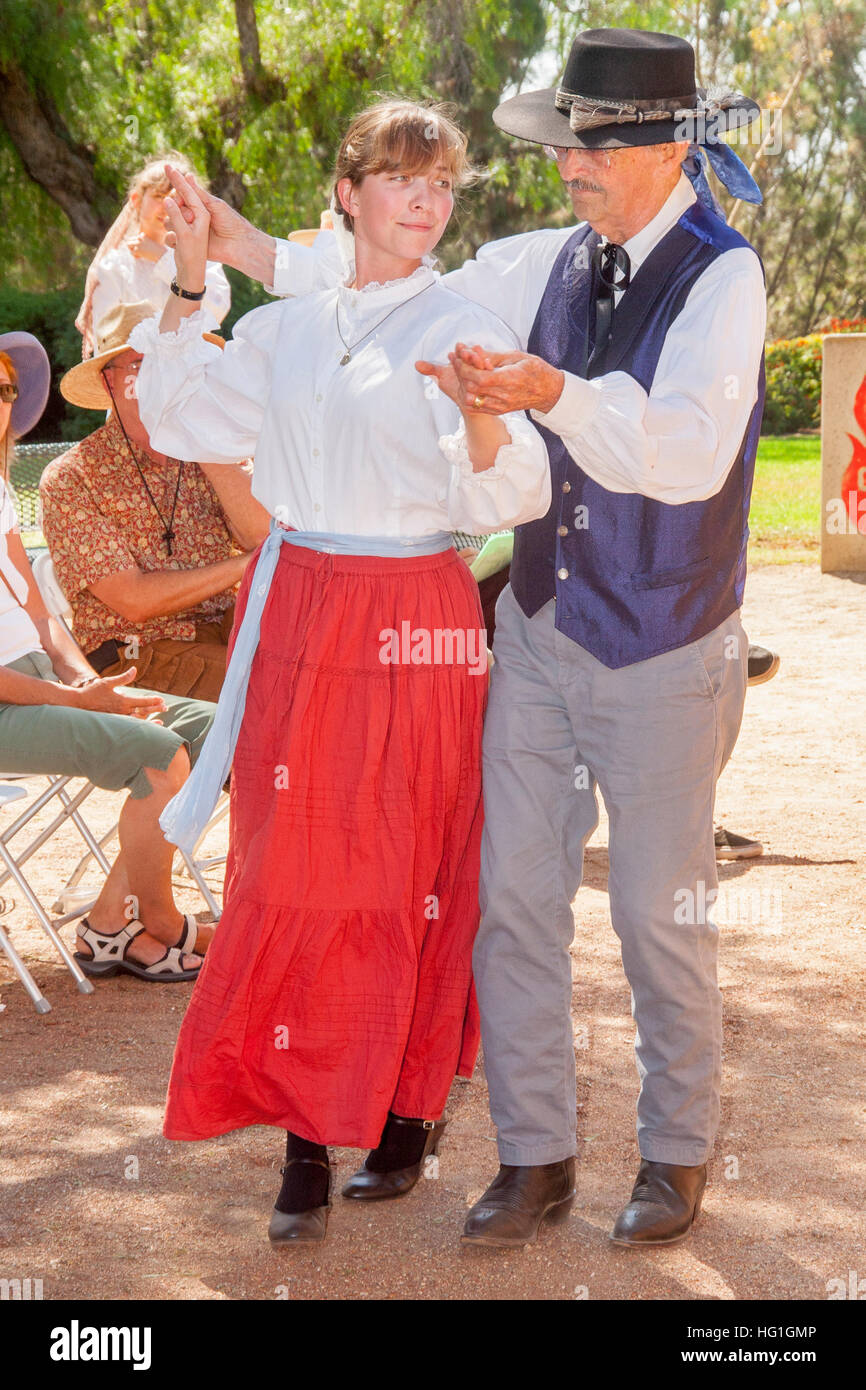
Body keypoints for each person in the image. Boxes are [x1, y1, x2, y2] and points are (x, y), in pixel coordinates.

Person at [194, 26, 767, 1249]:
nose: (567, 166)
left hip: (666, 647)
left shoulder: (725, 277)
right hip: (541, 629)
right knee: (509, 900)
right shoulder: (539, 263)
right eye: (564, 142)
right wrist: (229, 245)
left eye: (590, 147)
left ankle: (672, 1155)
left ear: (665, 147)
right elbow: (375, 284)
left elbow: (684, 452)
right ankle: (533, 1156)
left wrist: (547, 394)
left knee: (658, 916)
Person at [130, 100, 550, 1245]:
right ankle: (306, 1137)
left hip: (416, 610)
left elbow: (509, 496)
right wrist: (184, 277)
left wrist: (475, 419)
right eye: (402, 178)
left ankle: (406, 1112)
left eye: (442, 184)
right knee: (291, 869)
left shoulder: (465, 323)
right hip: (302, 606)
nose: (424, 199)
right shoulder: (287, 328)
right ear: (348, 192)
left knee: (409, 861)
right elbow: (171, 414)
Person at [0, 332, 216, 981]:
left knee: (212, 729)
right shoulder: (76, 476)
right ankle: (164, 926)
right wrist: (76, 700)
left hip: (42, 683)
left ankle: (108, 926)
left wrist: (90, 681)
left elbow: (39, 616)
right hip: (9, 702)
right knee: (157, 755)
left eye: (5, 389)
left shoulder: (0, 491)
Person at [41, 302, 270, 702]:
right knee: (274, 689)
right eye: (143, 365)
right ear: (109, 383)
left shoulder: (212, 447)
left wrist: (201, 442)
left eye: (172, 365)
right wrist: (244, 566)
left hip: (229, 634)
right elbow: (134, 600)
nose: (160, 379)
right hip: (136, 655)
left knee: (328, 663)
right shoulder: (73, 476)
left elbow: (261, 534)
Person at [75, 154, 231, 361]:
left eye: (177, 199)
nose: (168, 206)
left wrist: (162, 259)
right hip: (136, 379)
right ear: (136, 200)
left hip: (193, 372)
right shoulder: (116, 266)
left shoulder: (203, 258)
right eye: (159, 196)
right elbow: (105, 338)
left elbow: (215, 309)